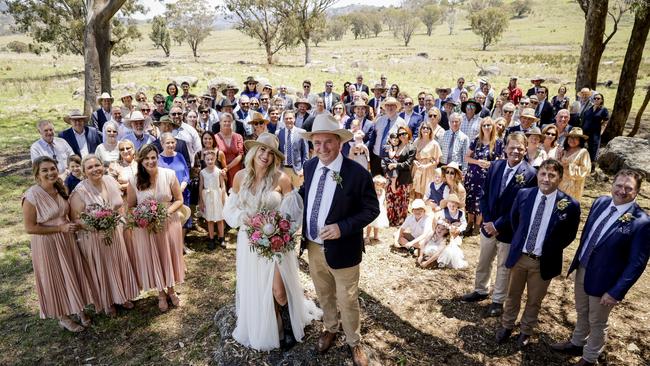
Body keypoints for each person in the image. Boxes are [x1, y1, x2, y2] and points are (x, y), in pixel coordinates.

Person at [223, 133, 321, 351]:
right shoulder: (240, 177)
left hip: (275, 242)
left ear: (275, 157)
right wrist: (243, 218)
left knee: (278, 290)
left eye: (270, 152)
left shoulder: (282, 179)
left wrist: (280, 232)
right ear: (253, 151)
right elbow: (230, 209)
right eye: (262, 150)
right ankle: (270, 325)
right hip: (250, 241)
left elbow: (294, 213)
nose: (265, 155)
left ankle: (287, 325)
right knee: (258, 287)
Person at [299, 114, 379, 366]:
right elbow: (306, 196)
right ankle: (331, 327)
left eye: (327, 142)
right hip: (313, 246)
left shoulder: (357, 173)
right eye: (317, 143)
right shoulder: (310, 166)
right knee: (324, 293)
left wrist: (342, 228)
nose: (322, 148)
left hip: (343, 249)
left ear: (340, 142)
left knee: (348, 298)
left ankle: (354, 342)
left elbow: (371, 210)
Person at [551, 169, 650, 366]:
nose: (622, 191)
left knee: (597, 321)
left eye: (628, 188)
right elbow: (587, 235)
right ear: (612, 185)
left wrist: (616, 291)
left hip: (606, 281)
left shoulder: (642, 222)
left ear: (637, 192)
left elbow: (636, 263)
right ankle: (577, 342)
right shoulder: (600, 203)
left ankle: (590, 357)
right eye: (619, 185)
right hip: (584, 268)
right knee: (582, 311)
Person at [496, 159, 580, 348]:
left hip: (542, 261)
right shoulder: (524, 194)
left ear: (559, 178)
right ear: (538, 175)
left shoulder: (569, 205)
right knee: (512, 295)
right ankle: (507, 325)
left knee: (534, 300)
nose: (546, 179)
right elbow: (515, 221)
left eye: (552, 175)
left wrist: (549, 248)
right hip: (519, 257)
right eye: (543, 174)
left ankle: (526, 331)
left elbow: (569, 235)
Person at [462, 133, 537, 317]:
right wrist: (487, 221)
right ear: (505, 148)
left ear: (525, 149)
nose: (515, 151)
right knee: (484, 260)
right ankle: (480, 290)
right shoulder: (496, 166)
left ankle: (497, 300)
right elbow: (484, 194)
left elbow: (521, 207)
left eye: (520, 148)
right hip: (488, 226)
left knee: (503, 267)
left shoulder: (530, 174)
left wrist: (498, 225)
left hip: (508, 229)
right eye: (512, 147)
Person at [22, 156, 93, 332]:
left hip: (67, 239)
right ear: (37, 174)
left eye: (52, 168)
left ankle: (79, 308)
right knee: (56, 278)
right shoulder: (31, 196)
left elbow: (67, 214)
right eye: (44, 170)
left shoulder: (60, 187)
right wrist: (60, 228)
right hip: (47, 243)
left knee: (73, 272)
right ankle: (63, 316)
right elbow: (30, 228)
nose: (50, 173)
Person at [69, 155, 139, 317]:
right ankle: (107, 302)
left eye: (97, 165)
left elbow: (121, 202)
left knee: (117, 262)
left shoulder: (110, 181)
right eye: (90, 167)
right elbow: (75, 218)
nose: (95, 169)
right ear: (84, 172)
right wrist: (96, 224)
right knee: (103, 268)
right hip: (94, 237)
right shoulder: (80, 191)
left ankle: (122, 295)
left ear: (103, 166)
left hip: (116, 231)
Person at [126, 144, 185, 312]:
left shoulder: (169, 174)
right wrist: (143, 216)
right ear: (141, 161)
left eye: (153, 157)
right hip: (147, 226)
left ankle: (172, 290)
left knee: (168, 255)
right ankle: (160, 292)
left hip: (168, 222)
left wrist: (166, 212)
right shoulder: (134, 180)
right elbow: (130, 206)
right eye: (147, 158)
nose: (151, 161)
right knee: (155, 257)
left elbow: (179, 200)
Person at [464, 117, 504, 236]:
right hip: (473, 175)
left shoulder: (498, 142)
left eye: (489, 125)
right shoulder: (476, 140)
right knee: (471, 198)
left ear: (493, 127)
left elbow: (501, 161)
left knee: (481, 200)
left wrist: (490, 164)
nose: (486, 128)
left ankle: (478, 224)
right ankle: (469, 222)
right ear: (481, 127)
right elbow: (466, 157)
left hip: (487, 177)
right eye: (484, 125)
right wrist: (477, 162)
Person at [158, 133, 191, 233]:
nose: (171, 145)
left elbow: (186, 174)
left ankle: (182, 244)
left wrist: (181, 188)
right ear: (162, 144)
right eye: (168, 143)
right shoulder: (158, 159)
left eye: (173, 142)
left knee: (184, 218)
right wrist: (174, 192)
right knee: (171, 220)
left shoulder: (180, 156)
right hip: (168, 196)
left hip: (183, 193)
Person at [383, 126, 416, 227]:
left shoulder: (412, 147)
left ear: (408, 134)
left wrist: (395, 165)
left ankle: (400, 222)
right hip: (391, 176)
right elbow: (387, 157)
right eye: (400, 134)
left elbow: (408, 163)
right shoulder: (397, 145)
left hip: (403, 178)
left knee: (401, 200)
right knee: (390, 198)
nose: (402, 136)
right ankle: (391, 220)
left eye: (404, 133)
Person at [367, 97, 406, 176]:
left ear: (396, 107)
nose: (390, 107)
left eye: (392, 105)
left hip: (391, 159)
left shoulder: (401, 122)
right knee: (376, 182)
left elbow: (405, 141)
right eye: (387, 105)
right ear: (384, 107)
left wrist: (396, 154)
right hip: (376, 157)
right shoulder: (379, 120)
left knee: (389, 183)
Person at [198, 150, 227, 250]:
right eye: (208, 159)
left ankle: (221, 237)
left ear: (215, 159)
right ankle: (211, 238)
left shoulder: (218, 171)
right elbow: (201, 186)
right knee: (209, 219)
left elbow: (222, 185)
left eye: (212, 159)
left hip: (217, 195)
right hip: (207, 196)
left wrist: (223, 197)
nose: (210, 161)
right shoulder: (202, 172)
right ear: (204, 160)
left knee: (220, 218)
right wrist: (201, 200)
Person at [276, 110, 309, 188]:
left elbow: (306, 154)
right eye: (286, 118)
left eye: (290, 118)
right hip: (283, 169)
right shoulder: (278, 133)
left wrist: (303, 169)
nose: (288, 121)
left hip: (297, 170)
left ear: (294, 119)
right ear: (283, 120)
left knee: (297, 194)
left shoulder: (302, 132)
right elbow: (277, 152)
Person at [558, 128, 592, 201]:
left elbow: (585, 170)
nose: (572, 140)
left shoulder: (583, 152)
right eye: (570, 137)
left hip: (574, 187)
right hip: (560, 184)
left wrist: (569, 166)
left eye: (575, 138)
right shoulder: (564, 151)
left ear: (580, 140)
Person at [412, 122, 442, 199]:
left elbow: (437, 160)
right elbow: (411, 155)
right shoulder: (416, 141)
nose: (425, 129)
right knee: (416, 189)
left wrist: (425, 166)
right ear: (420, 130)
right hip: (417, 167)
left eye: (428, 128)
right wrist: (414, 161)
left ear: (430, 130)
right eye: (423, 128)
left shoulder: (434, 143)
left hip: (428, 170)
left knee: (426, 190)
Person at [214, 113, 245, 189]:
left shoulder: (238, 136)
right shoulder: (215, 137)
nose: (227, 123)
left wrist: (227, 167)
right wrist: (224, 169)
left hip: (236, 170)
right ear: (220, 123)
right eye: (224, 121)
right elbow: (217, 155)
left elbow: (240, 155)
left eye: (229, 121)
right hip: (222, 171)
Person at [581, 93, 609, 168]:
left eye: (598, 98)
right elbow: (584, 120)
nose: (596, 100)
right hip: (585, 132)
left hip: (595, 132)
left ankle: (592, 166)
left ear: (601, 100)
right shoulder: (589, 109)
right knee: (583, 147)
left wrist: (601, 131)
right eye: (595, 98)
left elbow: (605, 121)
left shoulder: (603, 110)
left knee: (593, 149)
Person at [366, 175, 389, 243]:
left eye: (380, 184)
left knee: (377, 224)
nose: (379, 185)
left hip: (380, 209)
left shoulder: (383, 191)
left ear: (383, 185)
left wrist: (385, 208)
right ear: (374, 184)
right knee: (370, 224)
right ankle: (367, 236)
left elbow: (384, 200)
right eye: (377, 184)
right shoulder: (372, 191)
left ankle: (376, 235)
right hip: (372, 209)